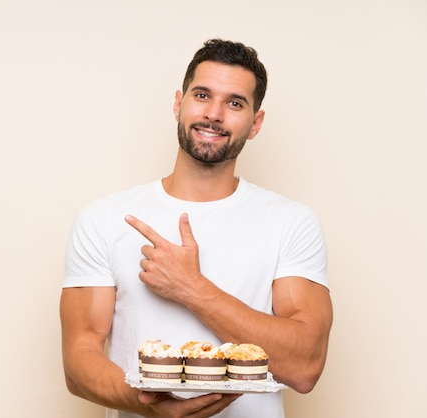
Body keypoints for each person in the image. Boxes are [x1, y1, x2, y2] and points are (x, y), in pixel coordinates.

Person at [59, 38, 333, 418]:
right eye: (202, 95)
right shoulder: (105, 218)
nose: (214, 114)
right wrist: (151, 407)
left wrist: (192, 288)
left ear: (256, 124)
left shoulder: (290, 222)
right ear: (178, 103)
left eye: (235, 103)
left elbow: (305, 366)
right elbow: (78, 360)